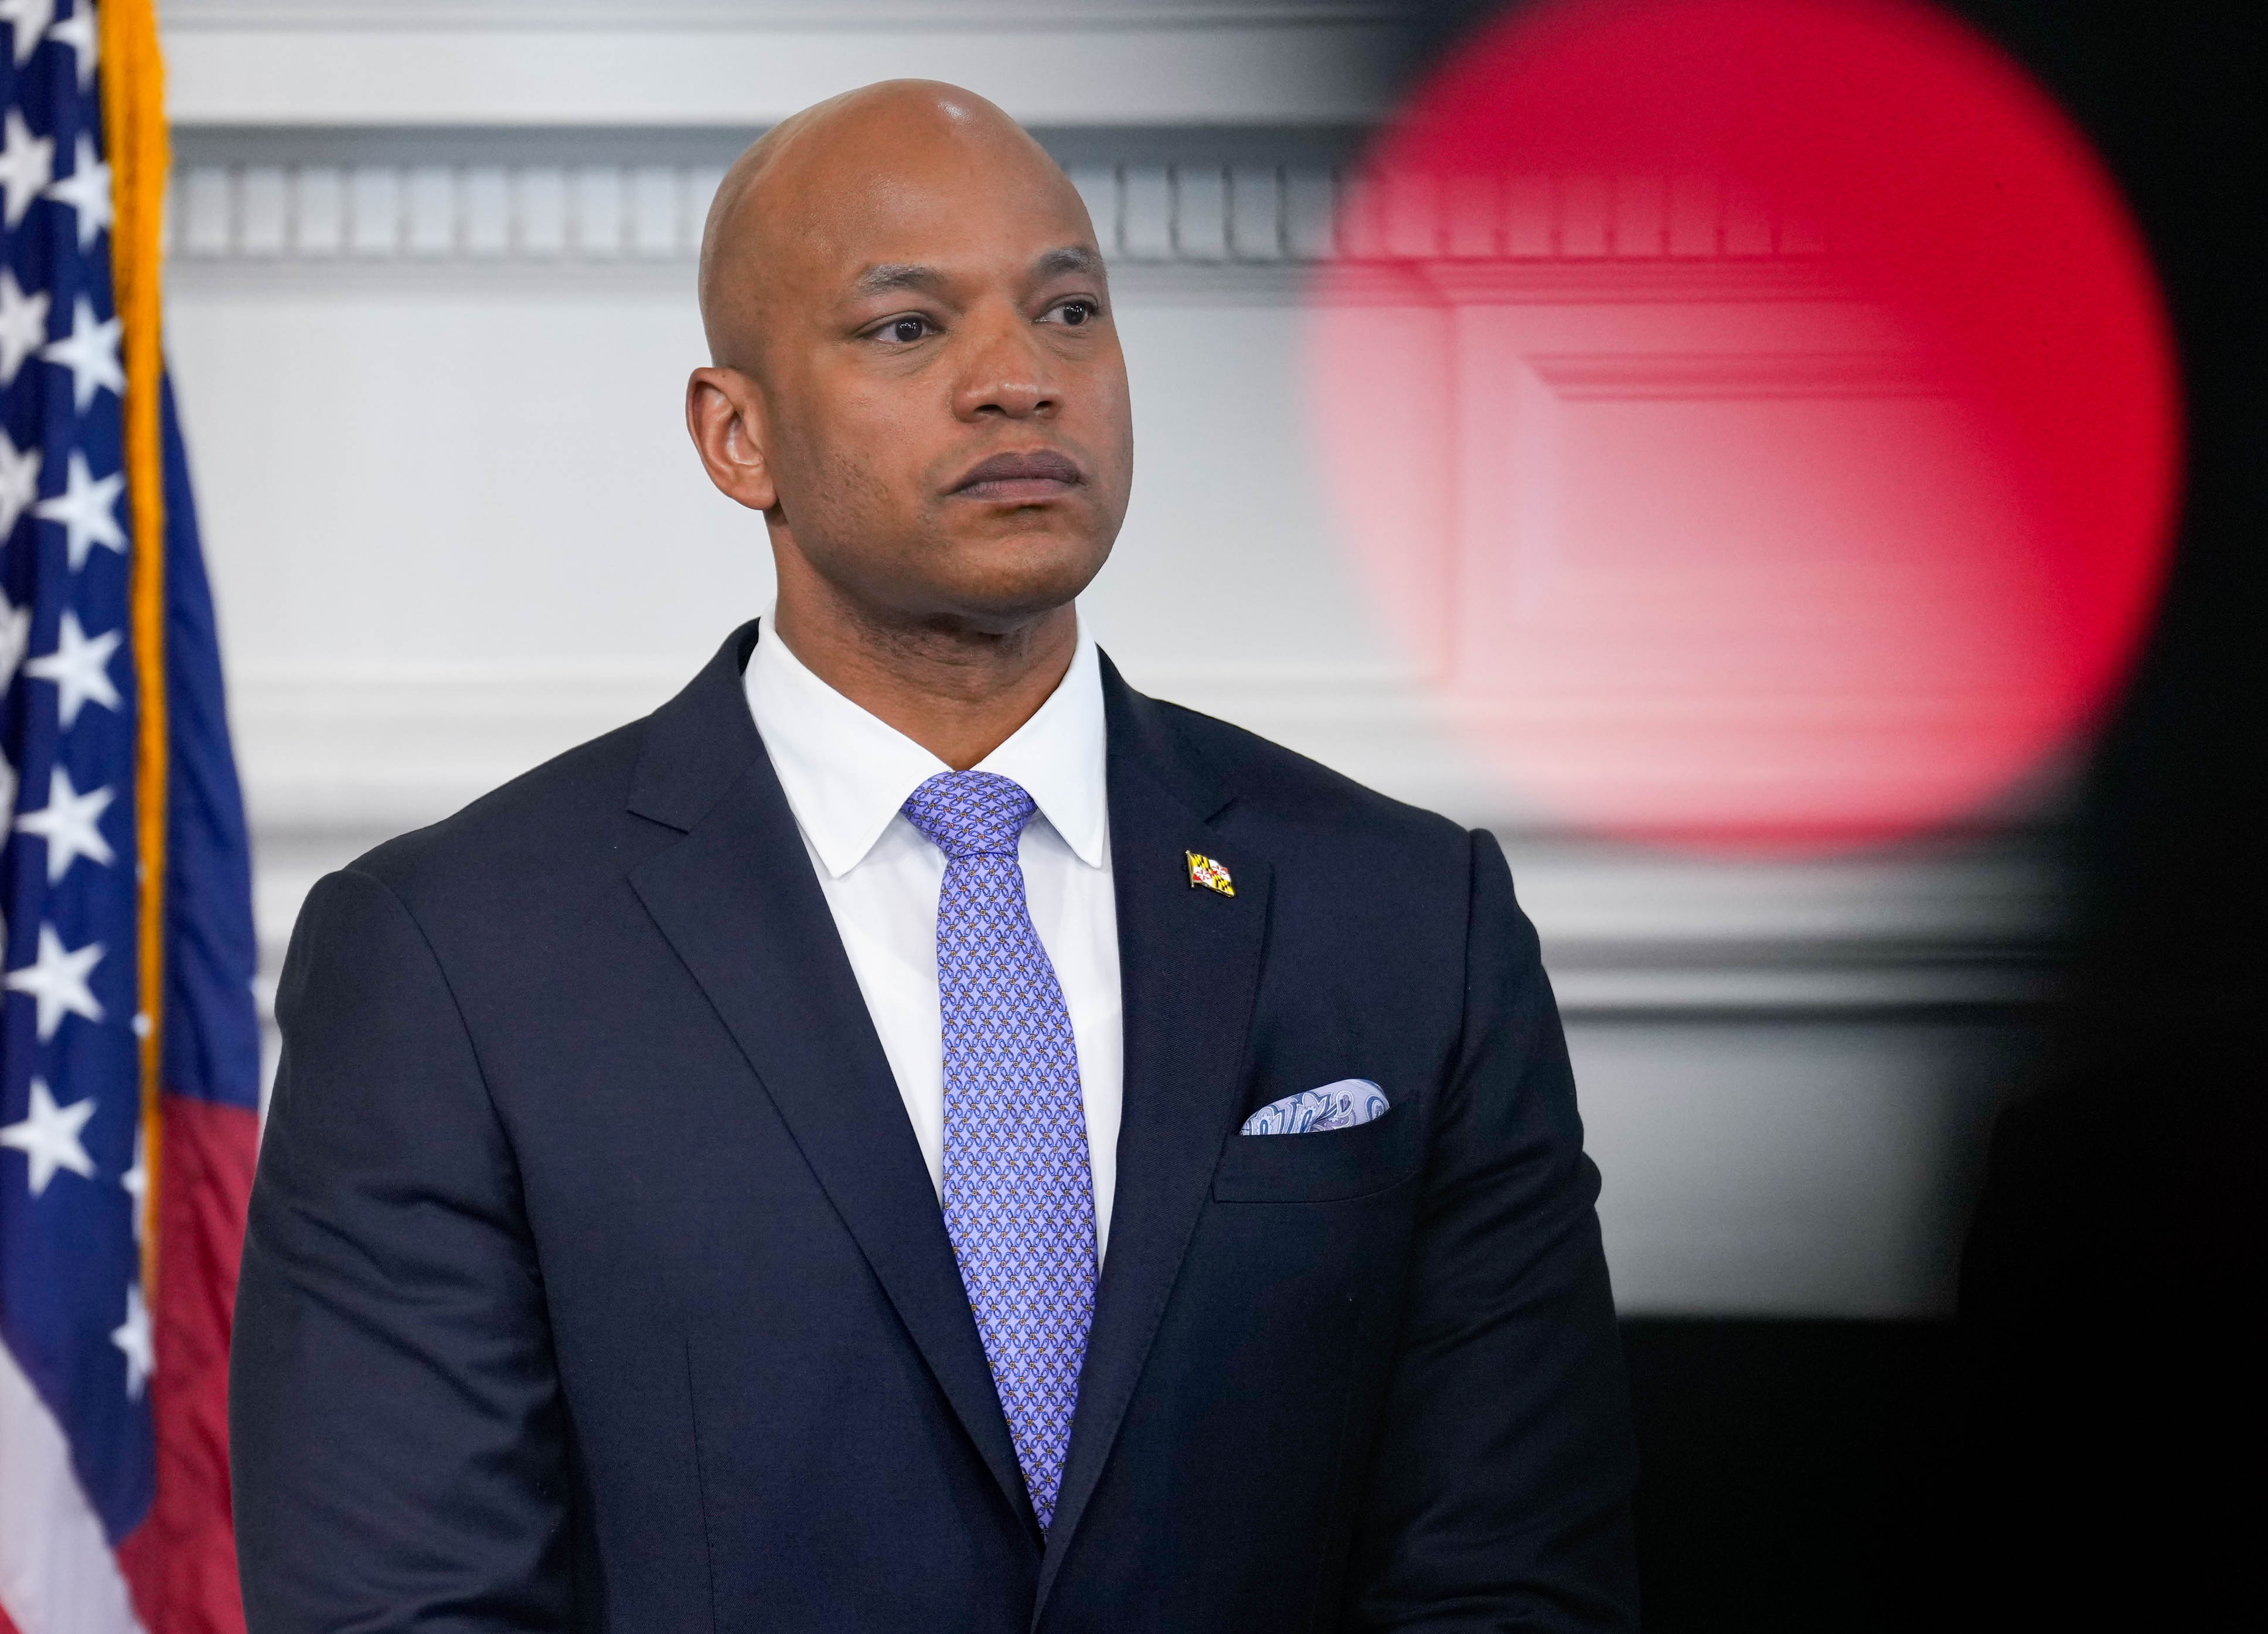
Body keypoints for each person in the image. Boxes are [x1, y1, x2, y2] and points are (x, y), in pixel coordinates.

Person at [230, 80, 1639, 1632]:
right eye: (908, 327)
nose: (1020, 381)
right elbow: (405, 1605)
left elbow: (1509, 1582)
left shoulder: (1410, 920)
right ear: (738, 435)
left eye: (1070, 312)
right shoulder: (452, 958)